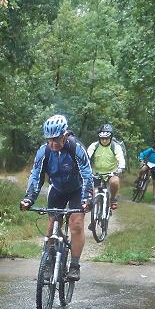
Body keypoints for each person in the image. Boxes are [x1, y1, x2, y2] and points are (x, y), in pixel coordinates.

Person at [20, 114, 94, 282]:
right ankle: (49, 262)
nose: (52, 144)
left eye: (56, 140)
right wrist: (29, 198)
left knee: (76, 225)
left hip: (77, 189)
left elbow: (87, 175)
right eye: (49, 140)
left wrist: (86, 199)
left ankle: (74, 265)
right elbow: (36, 176)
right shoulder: (44, 151)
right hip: (58, 189)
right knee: (52, 226)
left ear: (65, 135)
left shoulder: (76, 148)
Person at [86, 123, 125, 214]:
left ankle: (113, 199)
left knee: (115, 182)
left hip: (111, 173)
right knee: (93, 192)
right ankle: (94, 213)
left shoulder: (115, 146)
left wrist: (120, 168)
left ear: (110, 138)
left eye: (106, 138)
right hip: (96, 173)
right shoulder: (94, 146)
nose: (104, 140)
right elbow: (86, 158)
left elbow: (121, 159)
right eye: (102, 138)